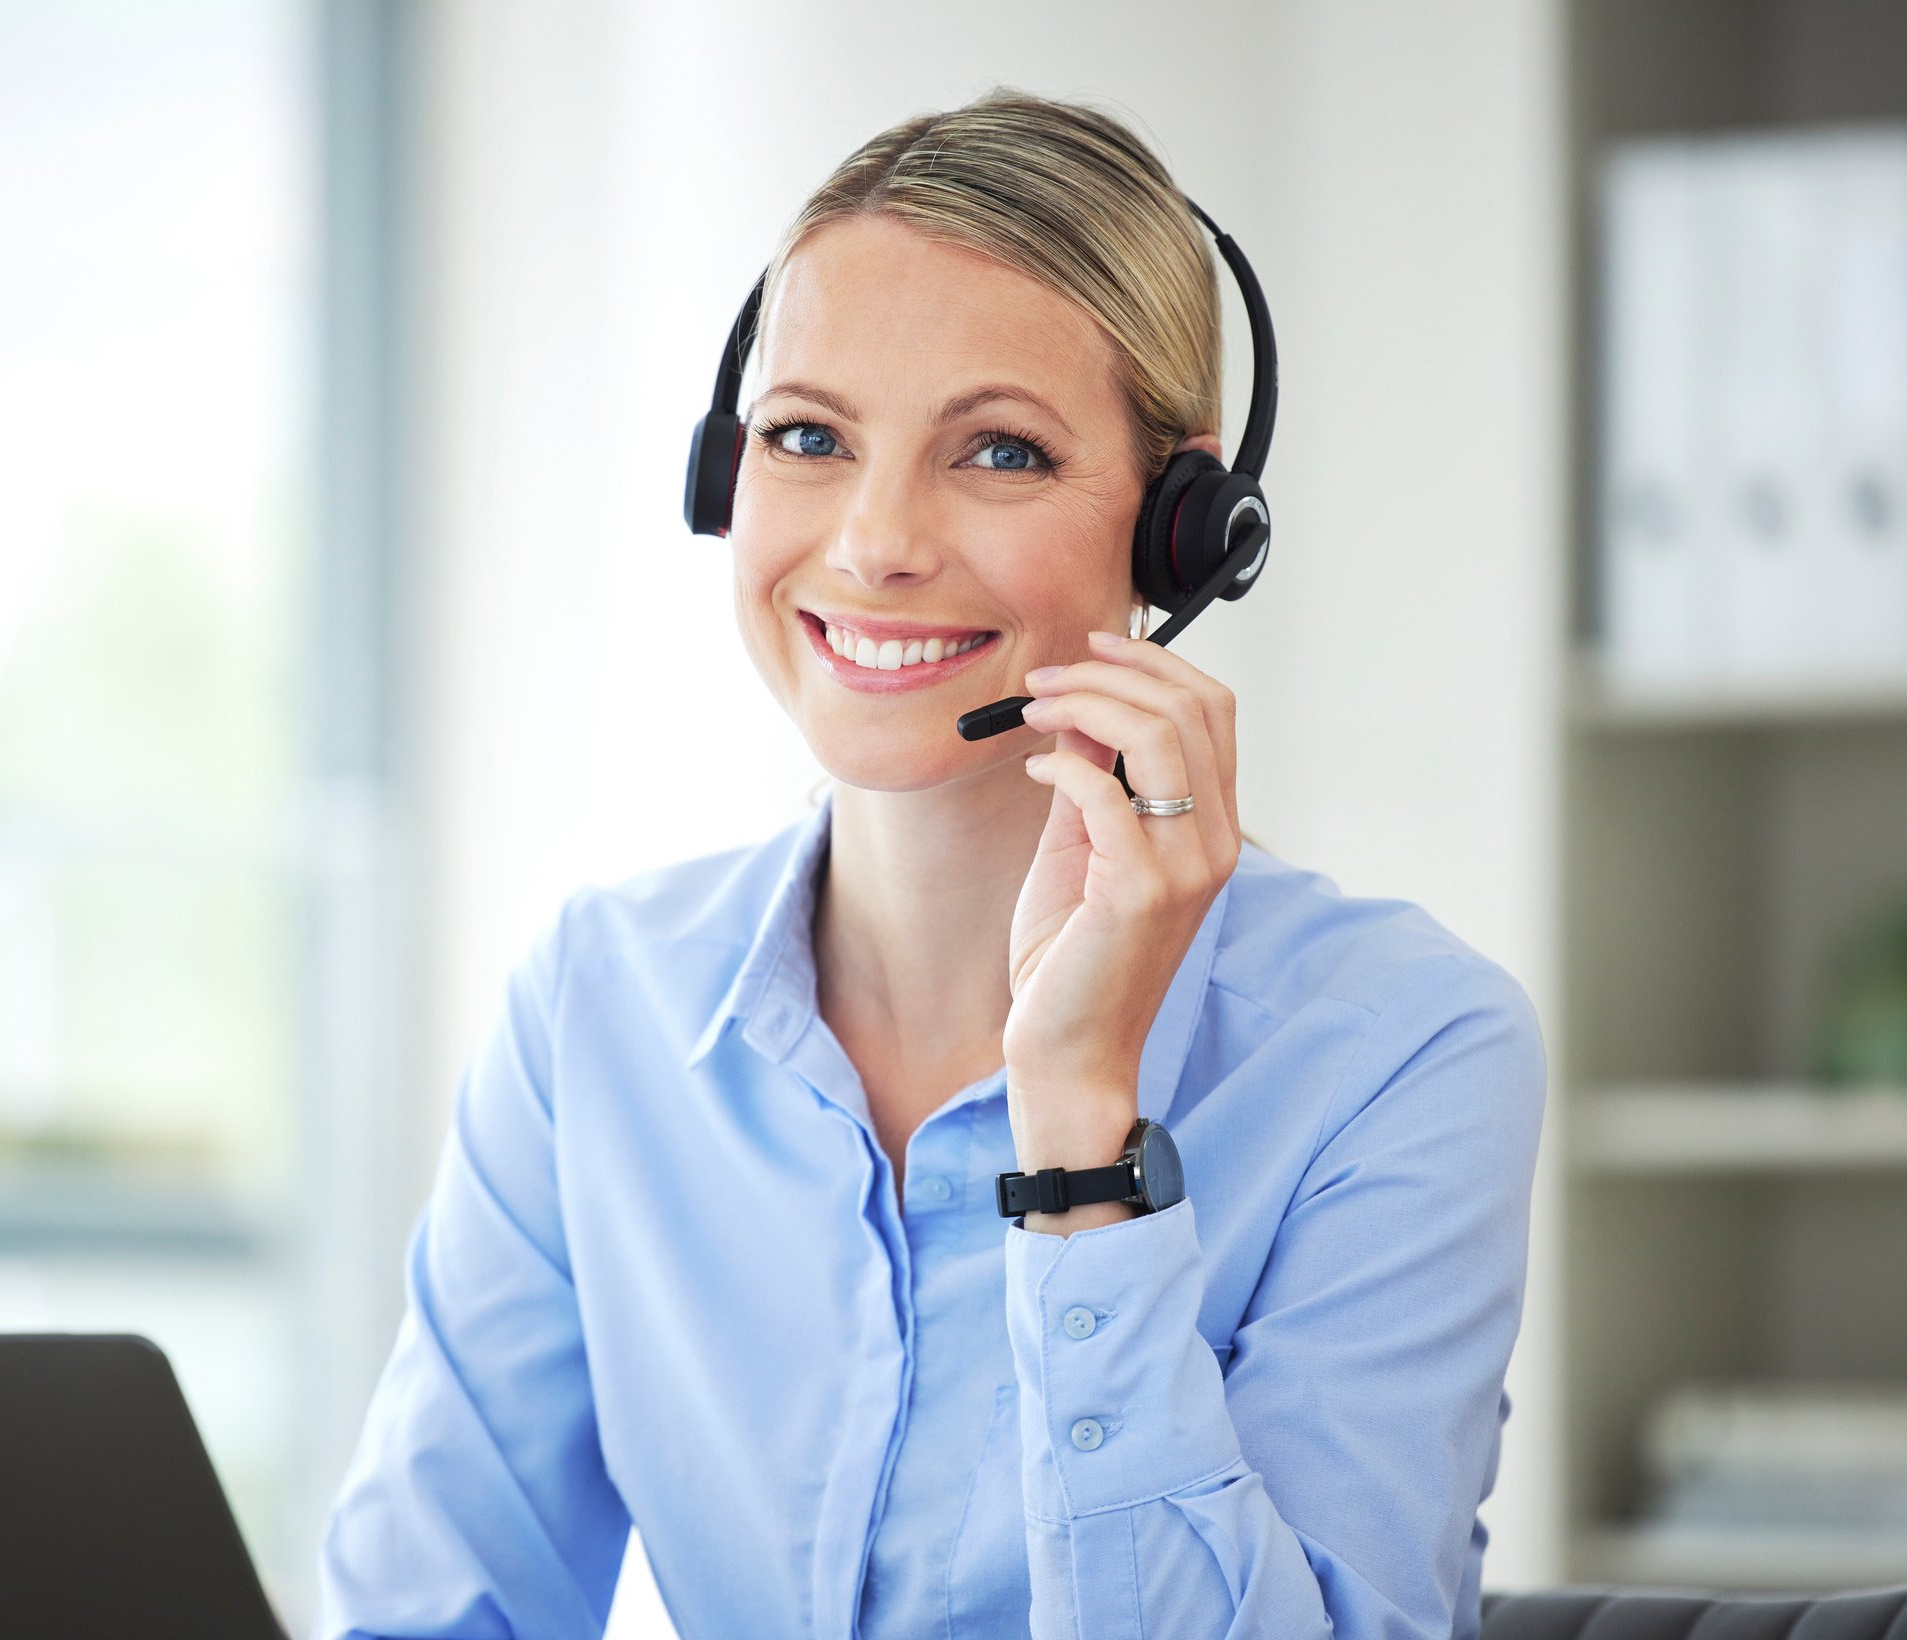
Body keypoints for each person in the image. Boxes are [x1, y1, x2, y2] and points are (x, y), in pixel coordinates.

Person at [317, 86, 1545, 1639]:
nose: (875, 541)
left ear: (1186, 527)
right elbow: (429, 1611)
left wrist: (1082, 1137)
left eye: (999, 453)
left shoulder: (1400, 1050)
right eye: (808, 436)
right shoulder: (597, 1011)